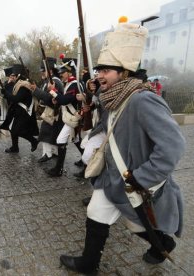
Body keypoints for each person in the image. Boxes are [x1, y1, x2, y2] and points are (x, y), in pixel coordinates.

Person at [60, 21, 186, 274]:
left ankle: (162, 243)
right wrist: (95, 98)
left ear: (124, 73)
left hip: (134, 180)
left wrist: (141, 178)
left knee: (137, 223)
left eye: (106, 70)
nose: (99, 75)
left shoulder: (142, 99)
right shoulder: (114, 98)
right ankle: (89, 262)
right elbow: (110, 129)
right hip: (114, 176)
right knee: (99, 211)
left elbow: (173, 145)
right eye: (99, 70)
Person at [46, 58, 83, 177]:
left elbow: (65, 100)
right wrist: (56, 95)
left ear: (70, 72)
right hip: (70, 117)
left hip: (73, 117)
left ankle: (58, 169)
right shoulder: (69, 84)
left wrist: (52, 91)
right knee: (77, 141)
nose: (61, 74)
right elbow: (62, 98)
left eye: (63, 72)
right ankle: (87, 164)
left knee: (60, 140)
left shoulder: (74, 84)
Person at [0, 64, 39, 153]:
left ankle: (33, 141)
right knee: (12, 129)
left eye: (15, 74)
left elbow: (16, 98)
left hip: (24, 112)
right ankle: (15, 147)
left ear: (19, 75)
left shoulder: (24, 85)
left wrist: (5, 92)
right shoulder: (19, 84)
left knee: (18, 131)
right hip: (18, 111)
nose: (14, 76)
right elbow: (12, 97)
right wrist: (6, 89)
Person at [33, 57, 64, 163]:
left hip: (53, 111)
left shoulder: (54, 81)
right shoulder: (49, 81)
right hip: (52, 111)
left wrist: (35, 90)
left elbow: (49, 98)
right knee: (52, 133)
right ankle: (54, 152)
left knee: (44, 133)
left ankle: (47, 154)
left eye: (44, 70)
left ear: (50, 71)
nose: (42, 73)